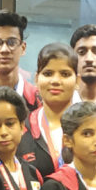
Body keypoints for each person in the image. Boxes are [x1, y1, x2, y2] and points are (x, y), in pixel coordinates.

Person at [18, 43, 79, 179]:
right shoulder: (21, 130)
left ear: (77, 81)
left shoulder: (93, 127)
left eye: (65, 74)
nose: (55, 81)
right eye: (48, 73)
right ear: (36, 79)